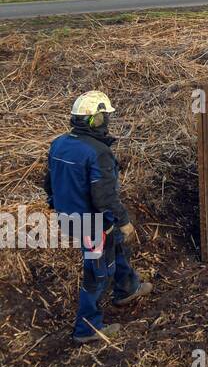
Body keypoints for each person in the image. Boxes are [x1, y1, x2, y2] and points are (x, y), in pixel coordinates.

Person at [44, 91, 151, 345]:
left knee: (114, 243)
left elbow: (49, 183)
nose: (106, 122)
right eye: (104, 117)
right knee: (97, 274)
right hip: (91, 224)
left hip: (70, 217)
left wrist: (56, 206)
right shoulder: (98, 152)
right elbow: (104, 197)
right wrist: (123, 220)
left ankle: (127, 288)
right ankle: (87, 328)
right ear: (95, 120)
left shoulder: (59, 143)